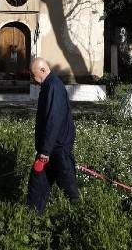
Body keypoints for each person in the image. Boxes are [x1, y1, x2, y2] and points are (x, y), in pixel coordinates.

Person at [25, 57, 80, 214]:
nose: (32, 79)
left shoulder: (53, 86)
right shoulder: (48, 85)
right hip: (49, 149)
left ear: (43, 70)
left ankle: (81, 214)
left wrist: (46, 151)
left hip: (57, 149)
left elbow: (53, 120)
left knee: (69, 186)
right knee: (38, 183)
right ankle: (33, 215)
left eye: (33, 74)